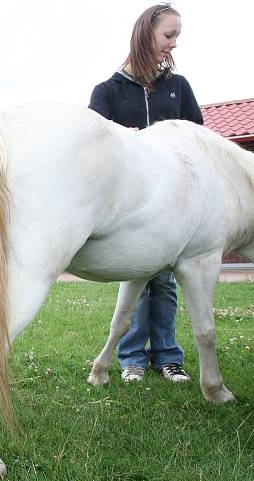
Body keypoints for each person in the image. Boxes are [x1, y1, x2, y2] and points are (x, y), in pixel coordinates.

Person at [89, 3, 203, 384]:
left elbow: (198, 139)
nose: (174, 44)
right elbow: (94, 145)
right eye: (168, 35)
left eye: (177, 36)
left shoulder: (179, 88)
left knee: (166, 281)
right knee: (138, 280)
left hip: (173, 207)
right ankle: (132, 357)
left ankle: (167, 357)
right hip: (129, 207)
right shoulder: (108, 92)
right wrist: (126, 139)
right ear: (145, 35)